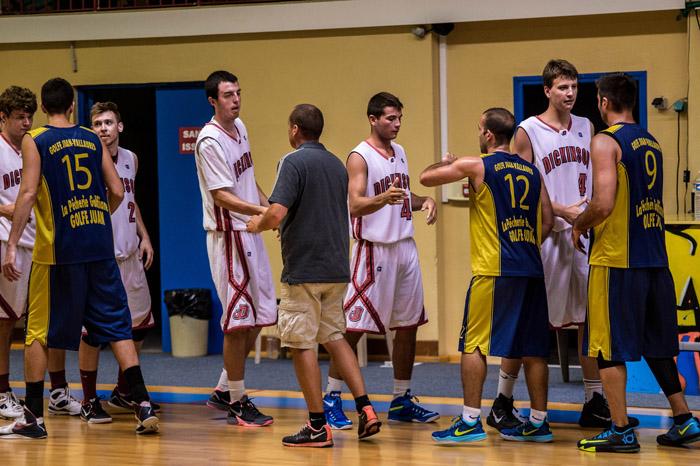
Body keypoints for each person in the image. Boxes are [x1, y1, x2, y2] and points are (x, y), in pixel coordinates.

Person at [0, 77, 158, 438]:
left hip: (58, 251)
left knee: (37, 332)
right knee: (119, 327)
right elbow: (117, 190)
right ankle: (143, 403)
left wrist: (11, 244)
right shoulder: (90, 137)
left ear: (42, 108)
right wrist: (98, 214)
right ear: (72, 105)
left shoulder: (35, 139)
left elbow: (26, 195)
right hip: (99, 245)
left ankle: (33, 417)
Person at [573, 73, 700, 453]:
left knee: (607, 348)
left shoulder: (604, 140)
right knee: (657, 345)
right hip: (655, 259)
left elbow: (604, 203)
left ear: (603, 101)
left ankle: (621, 429)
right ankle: (683, 420)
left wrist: (578, 224)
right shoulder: (652, 140)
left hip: (617, 261)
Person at [247, 103, 381, 447]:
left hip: (304, 269)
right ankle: (366, 409)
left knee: (301, 344)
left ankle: (317, 425)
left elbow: (276, 213)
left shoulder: (292, 162)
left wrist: (256, 224)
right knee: (335, 338)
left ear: (294, 129)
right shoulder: (337, 164)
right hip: (337, 267)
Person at [421, 108, 555, 444]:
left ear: (489, 135)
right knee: (534, 349)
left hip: (495, 270)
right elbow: (549, 221)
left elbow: (425, 178)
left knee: (474, 344)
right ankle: (539, 421)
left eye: (479, 128)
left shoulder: (477, 164)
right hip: (531, 267)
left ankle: (469, 421)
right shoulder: (532, 171)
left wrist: (446, 162)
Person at [488, 59, 609, 431]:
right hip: (547, 234)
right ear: (547, 90)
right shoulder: (527, 131)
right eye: (562, 87)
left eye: (574, 87)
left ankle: (594, 399)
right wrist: (560, 209)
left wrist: (584, 215)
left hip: (581, 234)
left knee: (588, 318)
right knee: (533, 321)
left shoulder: (587, 125)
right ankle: (502, 399)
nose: (570, 93)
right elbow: (522, 184)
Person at [324, 92, 439, 430]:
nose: (397, 124)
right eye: (390, 118)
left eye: (400, 118)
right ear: (373, 119)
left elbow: (401, 197)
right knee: (355, 327)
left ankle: (401, 398)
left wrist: (425, 201)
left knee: (408, 324)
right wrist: (382, 198)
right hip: (372, 248)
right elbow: (355, 205)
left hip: (404, 245)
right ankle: (332, 396)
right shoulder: (359, 156)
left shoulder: (399, 152)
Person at [193, 71, 275, 427]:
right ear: (213, 100)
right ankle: (238, 401)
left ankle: (225, 388)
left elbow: (246, 177)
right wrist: (262, 212)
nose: (236, 100)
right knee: (238, 322)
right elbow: (223, 196)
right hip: (228, 237)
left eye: (238, 93)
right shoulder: (209, 140)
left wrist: (269, 205)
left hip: (249, 232)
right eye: (228, 95)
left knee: (261, 313)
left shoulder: (240, 128)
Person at [73, 101, 159, 424]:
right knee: (92, 333)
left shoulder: (131, 159)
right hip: (101, 258)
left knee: (139, 326)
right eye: (97, 124)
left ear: (119, 126)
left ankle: (124, 391)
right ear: (91, 130)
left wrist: (145, 236)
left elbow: (131, 204)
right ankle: (89, 399)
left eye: (109, 122)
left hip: (131, 255)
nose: (104, 128)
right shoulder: (87, 162)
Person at [0, 86, 82, 420]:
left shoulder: (38, 145)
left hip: (46, 245)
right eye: (19, 117)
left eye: (29, 116)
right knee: (6, 323)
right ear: (3, 118)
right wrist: (21, 209)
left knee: (52, 322)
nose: (26, 122)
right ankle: (3, 390)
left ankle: (58, 391)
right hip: (12, 244)